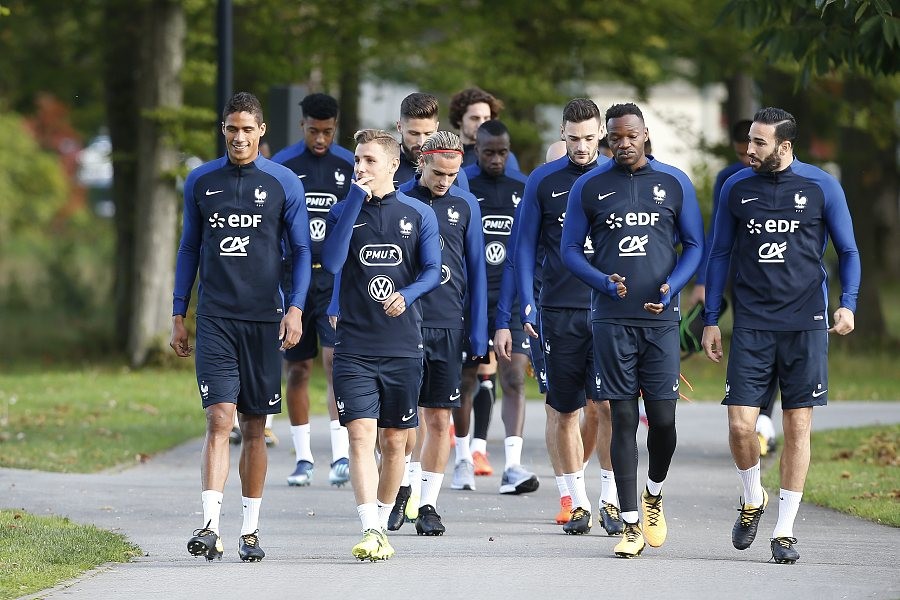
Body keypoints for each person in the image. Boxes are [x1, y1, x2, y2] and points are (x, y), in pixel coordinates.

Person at [701, 107, 859, 565]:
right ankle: (753, 496)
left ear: (784, 146)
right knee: (740, 426)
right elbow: (719, 254)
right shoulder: (736, 187)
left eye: (759, 143)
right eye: (749, 140)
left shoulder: (821, 186)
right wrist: (711, 318)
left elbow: (848, 250)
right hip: (752, 324)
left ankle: (785, 531)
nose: (749, 149)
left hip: (805, 323)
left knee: (797, 426)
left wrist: (848, 303)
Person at [171, 91, 312, 562]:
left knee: (254, 425)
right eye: (232, 128)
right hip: (215, 318)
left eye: (247, 129)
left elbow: (301, 252)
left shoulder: (283, 182)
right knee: (218, 418)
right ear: (223, 130)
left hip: (264, 320)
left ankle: (250, 531)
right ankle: (210, 526)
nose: (239, 137)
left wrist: (295, 309)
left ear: (261, 131)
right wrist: (178, 313)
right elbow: (189, 248)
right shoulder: (200, 180)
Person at [562, 102, 703, 558]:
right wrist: (602, 282)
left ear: (644, 134)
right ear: (607, 139)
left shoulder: (674, 182)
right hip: (611, 319)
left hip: (660, 320)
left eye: (631, 136)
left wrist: (672, 287)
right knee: (621, 417)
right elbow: (569, 250)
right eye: (615, 137)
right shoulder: (588, 186)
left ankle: (653, 494)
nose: (623, 144)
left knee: (663, 422)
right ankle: (629, 524)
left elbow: (695, 245)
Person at [322, 128, 441, 560]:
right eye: (357, 160)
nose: (360, 167)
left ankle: (384, 517)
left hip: (403, 345)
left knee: (394, 442)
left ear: (393, 164)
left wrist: (406, 295)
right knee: (359, 436)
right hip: (354, 345)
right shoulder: (343, 210)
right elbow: (331, 262)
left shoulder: (418, 213)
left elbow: (433, 271)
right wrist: (355, 200)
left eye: (370, 160)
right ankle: (370, 528)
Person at [515, 98, 622, 536]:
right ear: (562, 133)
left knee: (609, 405)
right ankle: (577, 501)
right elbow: (523, 245)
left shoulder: (618, 176)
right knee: (564, 409)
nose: (581, 146)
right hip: (558, 309)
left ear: (602, 135)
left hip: (608, 309)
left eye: (589, 138)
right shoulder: (543, 180)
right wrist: (526, 301)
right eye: (573, 138)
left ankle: (611, 499)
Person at [393, 131, 488, 534]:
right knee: (400, 420)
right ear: (422, 162)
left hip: (448, 323)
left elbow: (477, 270)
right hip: (403, 322)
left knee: (438, 417)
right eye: (438, 173)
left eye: (452, 174)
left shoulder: (466, 204)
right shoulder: (398, 198)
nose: (445, 181)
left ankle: (428, 504)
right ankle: (401, 489)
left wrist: (479, 330)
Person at [270, 93, 354, 488]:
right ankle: (303, 458)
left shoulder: (349, 164)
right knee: (299, 367)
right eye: (313, 131)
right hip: (295, 280)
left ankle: (341, 456)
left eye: (327, 131)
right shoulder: (283, 165)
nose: (320, 139)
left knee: (337, 362)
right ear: (301, 124)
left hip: (334, 280)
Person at [454, 119, 538, 495]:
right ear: (476, 150)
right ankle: (462, 459)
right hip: (470, 301)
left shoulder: (523, 187)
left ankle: (513, 466)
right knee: (466, 379)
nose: (496, 159)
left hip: (512, 301)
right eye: (489, 152)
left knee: (514, 377)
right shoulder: (463, 185)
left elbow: (531, 248)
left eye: (502, 152)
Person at [688, 119, 780, 457]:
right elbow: (716, 234)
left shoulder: (784, 176)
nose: (746, 158)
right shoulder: (729, 179)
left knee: (778, 347)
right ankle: (751, 417)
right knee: (750, 342)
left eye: (750, 150)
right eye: (741, 153)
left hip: (779, 277)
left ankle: (765, 419)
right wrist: (702, 281)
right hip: (741, 276)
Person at [394, 93, 469, 191]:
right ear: (399, 127)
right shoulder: (385, 169)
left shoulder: (455, 174)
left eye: (428, 134)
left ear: (436, 128)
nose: (421, 142)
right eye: (414, 133)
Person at [449, 87, 521, 172]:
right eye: (475, 118)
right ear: (459, 119)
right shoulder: (445, 153)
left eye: (486, 118)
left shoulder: (505, 158)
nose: (481, 124)